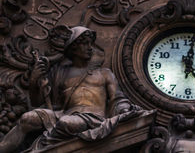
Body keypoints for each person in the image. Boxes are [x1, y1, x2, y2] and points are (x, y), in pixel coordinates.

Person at [0, 26, 143, 152]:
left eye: (90, 44)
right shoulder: (60, 73)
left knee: (66, 123)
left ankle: (43, 144)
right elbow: (37, 102)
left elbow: (117, 99)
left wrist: (124, 110)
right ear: (74, 48)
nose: (90, 47)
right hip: (63, 114)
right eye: (84, 44)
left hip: (93, 118)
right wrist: (34, 79)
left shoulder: (104, 73)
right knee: (27, 118)